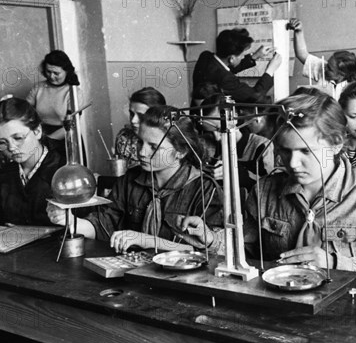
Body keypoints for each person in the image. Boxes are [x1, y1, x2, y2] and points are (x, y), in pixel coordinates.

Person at [183, 93, 356, 289]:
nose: (293, 163)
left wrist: (336, 263)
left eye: (306, 152)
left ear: (337, 143)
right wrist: (212, 239)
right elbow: (248, 248)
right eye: (285, 151)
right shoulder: (266, 191)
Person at [48, 105, 224, 254]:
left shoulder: (205, 188)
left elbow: (208, 253)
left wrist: (147, 240)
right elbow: (105, 225)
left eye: (153, 146)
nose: (141, 152)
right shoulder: (130, 180)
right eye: (140, 142)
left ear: (181, 152)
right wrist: (69, 221)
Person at [0, 97, 65, 225]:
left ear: (37, 131)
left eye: (18, 138)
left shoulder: (64, 169)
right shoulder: (2, 176)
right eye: (2, 142)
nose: (11, 148)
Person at [197, 93, 274, 192]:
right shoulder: (204, 144)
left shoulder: (261, 145)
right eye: (210, 132)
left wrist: (236, 173)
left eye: (220, 130)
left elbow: (266, 187)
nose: (216, 137)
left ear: (235, 117)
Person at [192, 28, 282, 104]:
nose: (243, 57)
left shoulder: (206, 56)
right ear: (231, 58)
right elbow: (255, 95)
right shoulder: (226, 79)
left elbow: (224, 68)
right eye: (242, 55)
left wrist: (255, 56)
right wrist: (270, 70)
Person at [26, 50, 81, 156]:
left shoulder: (73, 92)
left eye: (56, 73)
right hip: (41, 136)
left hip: (65, 139)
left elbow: (71, 125)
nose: (51, 76)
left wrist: (46, 140)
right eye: (48, 72)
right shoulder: (39, 87)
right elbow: (25, 112)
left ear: (67, 72)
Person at [289, 19, 356, 100]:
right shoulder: (323, 69)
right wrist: (299, 32)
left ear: (341, 75)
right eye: (327, 64)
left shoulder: (353, 90)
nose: (325, 68)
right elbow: (301, 54)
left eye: (330, 69)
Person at [114, 87, 166, 167]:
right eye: (131, 114)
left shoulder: (167, 139)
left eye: (141, 116)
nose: (133, 120)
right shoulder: (124, 136)